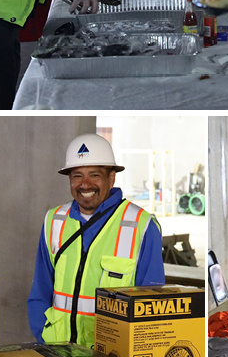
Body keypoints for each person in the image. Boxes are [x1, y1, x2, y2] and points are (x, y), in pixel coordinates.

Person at [28, 134, 164, 346]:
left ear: (111, 178)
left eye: (94, 175)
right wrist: (43, 336)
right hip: (57, 352)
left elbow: (150, 307)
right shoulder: (54, 220)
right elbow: (41, 289)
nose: (85, 184)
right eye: (77, 176)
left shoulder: (142, 225)